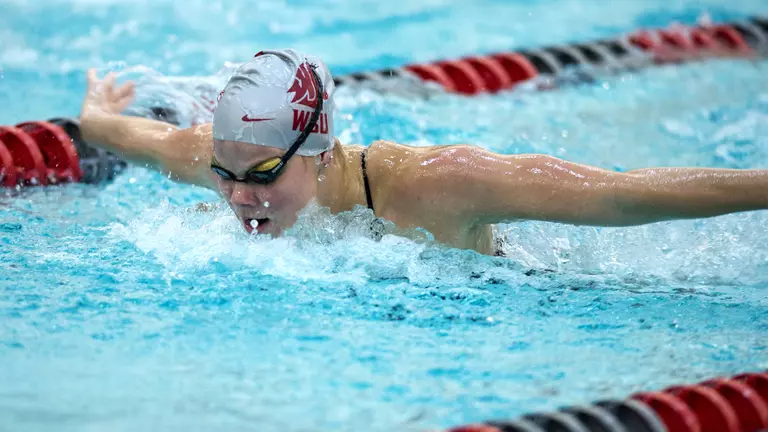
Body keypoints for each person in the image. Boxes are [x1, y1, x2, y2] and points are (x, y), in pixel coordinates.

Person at [79, 49, 767, 256]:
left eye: (259, 175)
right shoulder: (231, 157)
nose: (237, 197)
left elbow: (622, 194)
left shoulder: (440, 184)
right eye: (223, 174)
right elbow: (133, 137)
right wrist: (96, 115)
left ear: (322, 152)